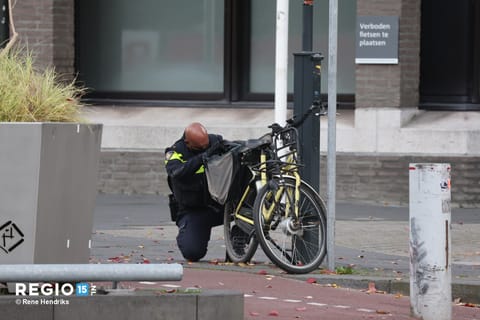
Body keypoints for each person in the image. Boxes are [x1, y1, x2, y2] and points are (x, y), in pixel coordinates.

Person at [164, 122, 224, 261]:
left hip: (220, 204)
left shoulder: (215, 141)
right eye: (200, 148)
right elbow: (177, 172)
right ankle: (187, 232)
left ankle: (238, 238)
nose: (204, 149)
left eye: (206, 145)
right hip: (193, 209)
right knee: (193, 252)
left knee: (249, 211)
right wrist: (202, 157)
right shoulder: (174, 152)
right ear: (187, 142)